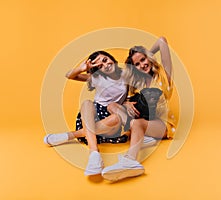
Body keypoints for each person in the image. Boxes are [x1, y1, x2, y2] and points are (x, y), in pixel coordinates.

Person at [101, 36, 177, 181]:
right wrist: (126, 104)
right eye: (137, 64)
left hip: (162, 125)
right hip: (142, 120)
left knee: (136, 123)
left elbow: (162, 41)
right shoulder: (137, 81)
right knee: (112, 106)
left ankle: (131, 161)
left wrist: (144, 53)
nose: (142, 65)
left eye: (143, 60)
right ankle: (143, 137)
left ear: (148, 58)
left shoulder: (163, 76)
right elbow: (127, 103)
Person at [44, 51, 128, 176]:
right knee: (87, 103)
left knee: (116, 118)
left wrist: (128, 102)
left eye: (105, 60)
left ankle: (69, 135)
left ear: (111, 58)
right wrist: (81, 68)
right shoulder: (97, 78)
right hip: (92, 115)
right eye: (99, 66)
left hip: (111, 118)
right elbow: (69, 75)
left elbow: (129, 93)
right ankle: (94, 154)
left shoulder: (126, 75)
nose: (105, 65)